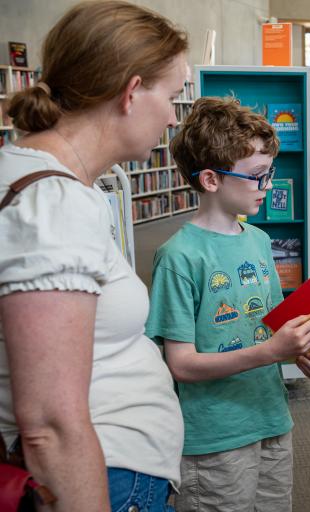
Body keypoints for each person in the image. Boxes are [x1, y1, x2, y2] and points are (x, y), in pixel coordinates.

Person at [0, 2, 188, 510]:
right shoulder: (53, 204)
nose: (174, 116)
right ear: (131, 93)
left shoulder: (43, 181)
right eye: (171, 96)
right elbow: (51, 427)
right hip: (108, 474)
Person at [145, 97, 310, 512]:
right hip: (214, 437)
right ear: (212, 180)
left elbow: (271, 325)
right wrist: (272, 352)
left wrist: (300, 352)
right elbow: (180, 364)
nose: (268, 186)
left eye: (268, 173)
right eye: (256, 176)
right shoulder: (179, 256)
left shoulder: (258, 240)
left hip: (271, 418)